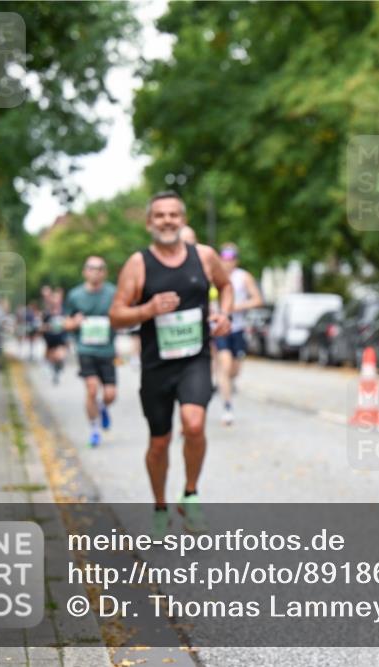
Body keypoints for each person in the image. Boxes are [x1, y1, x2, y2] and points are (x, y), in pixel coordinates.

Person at [109, 191, 233, 535]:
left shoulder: (204, 256)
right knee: (159, 441)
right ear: (150, 222)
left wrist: (225, 314)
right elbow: (116, 315)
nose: (167, 221)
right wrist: (147, 310)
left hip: (195, 357)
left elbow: (225, 286)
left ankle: (190, 494)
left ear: (183, 219)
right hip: (156, 364)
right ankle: (160, 505)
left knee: (194, 425)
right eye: (160, 215)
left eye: (174, 215)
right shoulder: (138, 264)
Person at [63, 257, 118, 448]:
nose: (95, 272)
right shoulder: (75, 295)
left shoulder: (113, 293)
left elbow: (123, 316)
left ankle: (102, 408)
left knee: (110, 394)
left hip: (107, 350)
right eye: (91, 268)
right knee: (92, 388)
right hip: (85, 349)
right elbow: (65, 323)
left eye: (100, 269)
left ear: (105, 272)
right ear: (84, 271)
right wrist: (74, 323)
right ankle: (94, 429)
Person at [214, 243, 263, 425]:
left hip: (238, 329)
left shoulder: (243, 277)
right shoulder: (213, 276)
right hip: (220, 329)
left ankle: (227, 383)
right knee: (224, 366)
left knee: (235, 370)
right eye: (225, 259)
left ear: (236, 260)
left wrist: (237, 307)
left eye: (232, 259)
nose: (228, 263)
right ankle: (227, 407)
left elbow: (258, 300)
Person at [41, 288, 69, 384]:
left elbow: (69, 323)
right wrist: (48, 327)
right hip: (50, 338)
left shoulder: (65, 311)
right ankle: (55, 372)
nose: (56, 300)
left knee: (60, 357)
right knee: (52, 358)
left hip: (61, 338)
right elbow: (42, 326)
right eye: (55, 298)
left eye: (58, 298)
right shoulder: (47, 313)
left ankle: (58, 368)